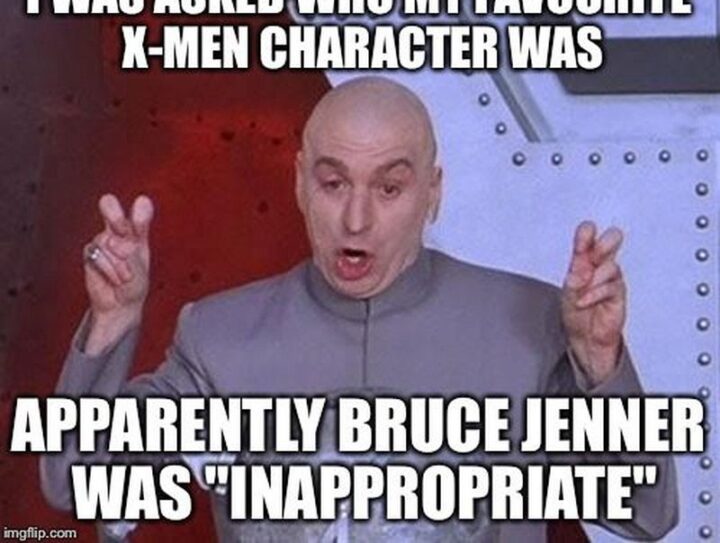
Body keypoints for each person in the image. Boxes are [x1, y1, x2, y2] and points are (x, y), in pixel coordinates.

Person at [41, 77, 677, 542]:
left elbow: (647, 513)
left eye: (390, 187)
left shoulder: (528, 322)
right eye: (333, 182)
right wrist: (113, 322)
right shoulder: (219, 338)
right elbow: (75, 484)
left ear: (433, 192)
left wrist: (600, 364)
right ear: (299, 182)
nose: (356, 219)